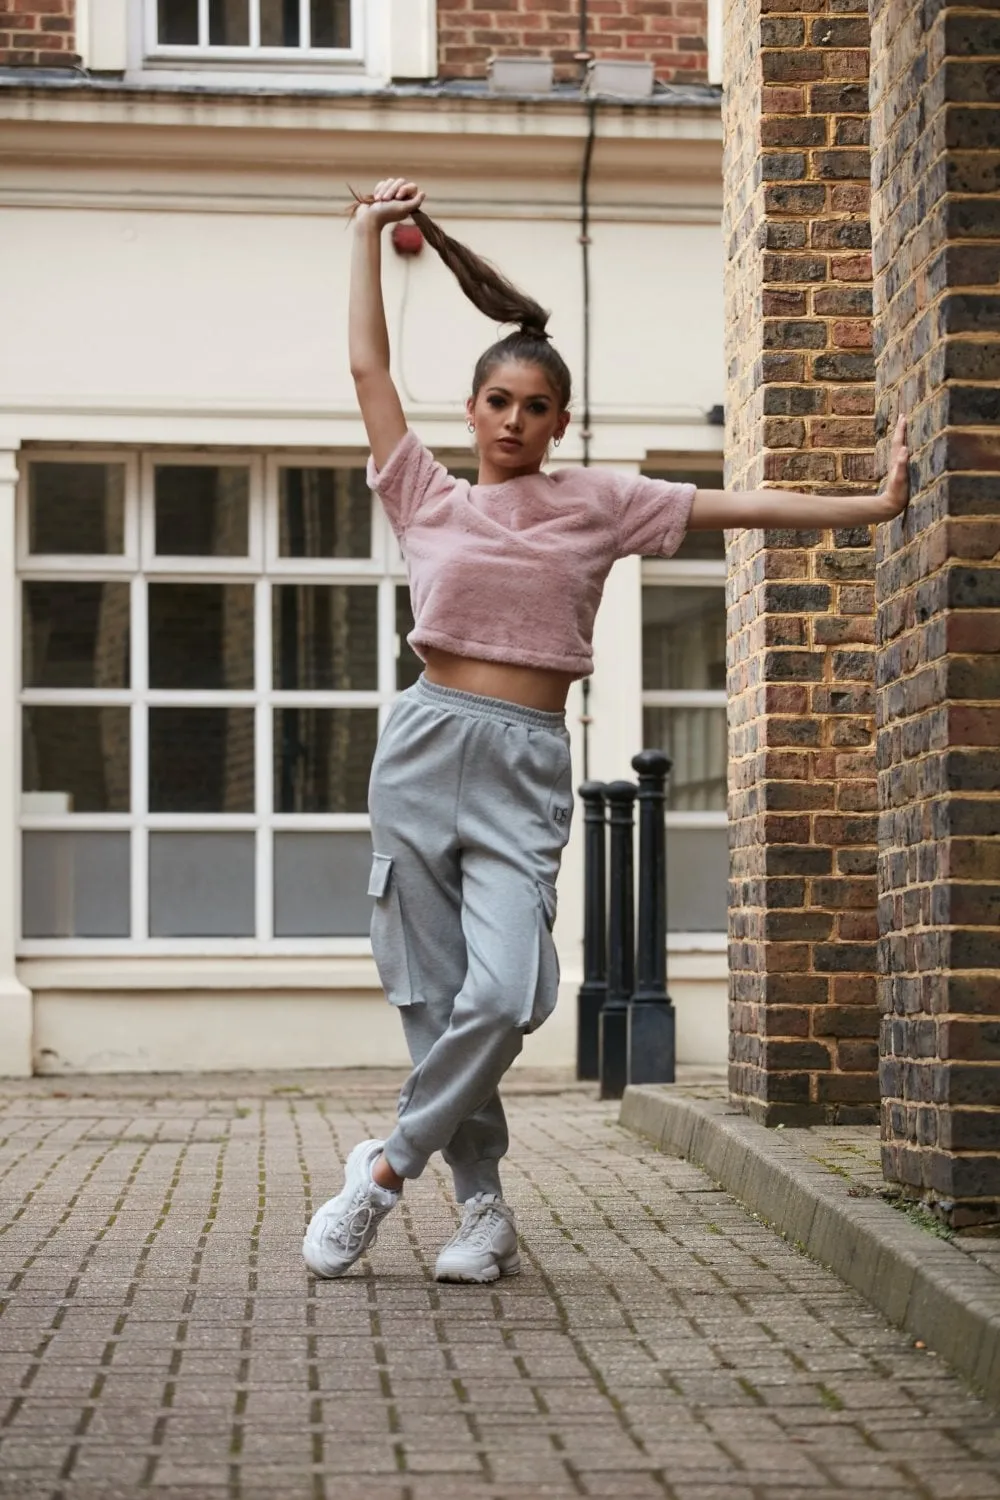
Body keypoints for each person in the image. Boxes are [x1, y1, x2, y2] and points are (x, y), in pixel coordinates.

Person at [302, 177, 909, 1284]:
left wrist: (867, 508)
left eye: (535, 408)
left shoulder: (597, 500)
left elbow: (743, 507)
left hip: (524, 761)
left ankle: (383, 1172)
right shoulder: (422, 494)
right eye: (498, 403)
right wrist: (358, 232)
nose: (514, 423)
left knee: (507, 993)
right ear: (474, 405)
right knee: (435, 1001)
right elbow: (365, 369)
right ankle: (481, 1208)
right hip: (425, 747)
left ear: (559, 422)